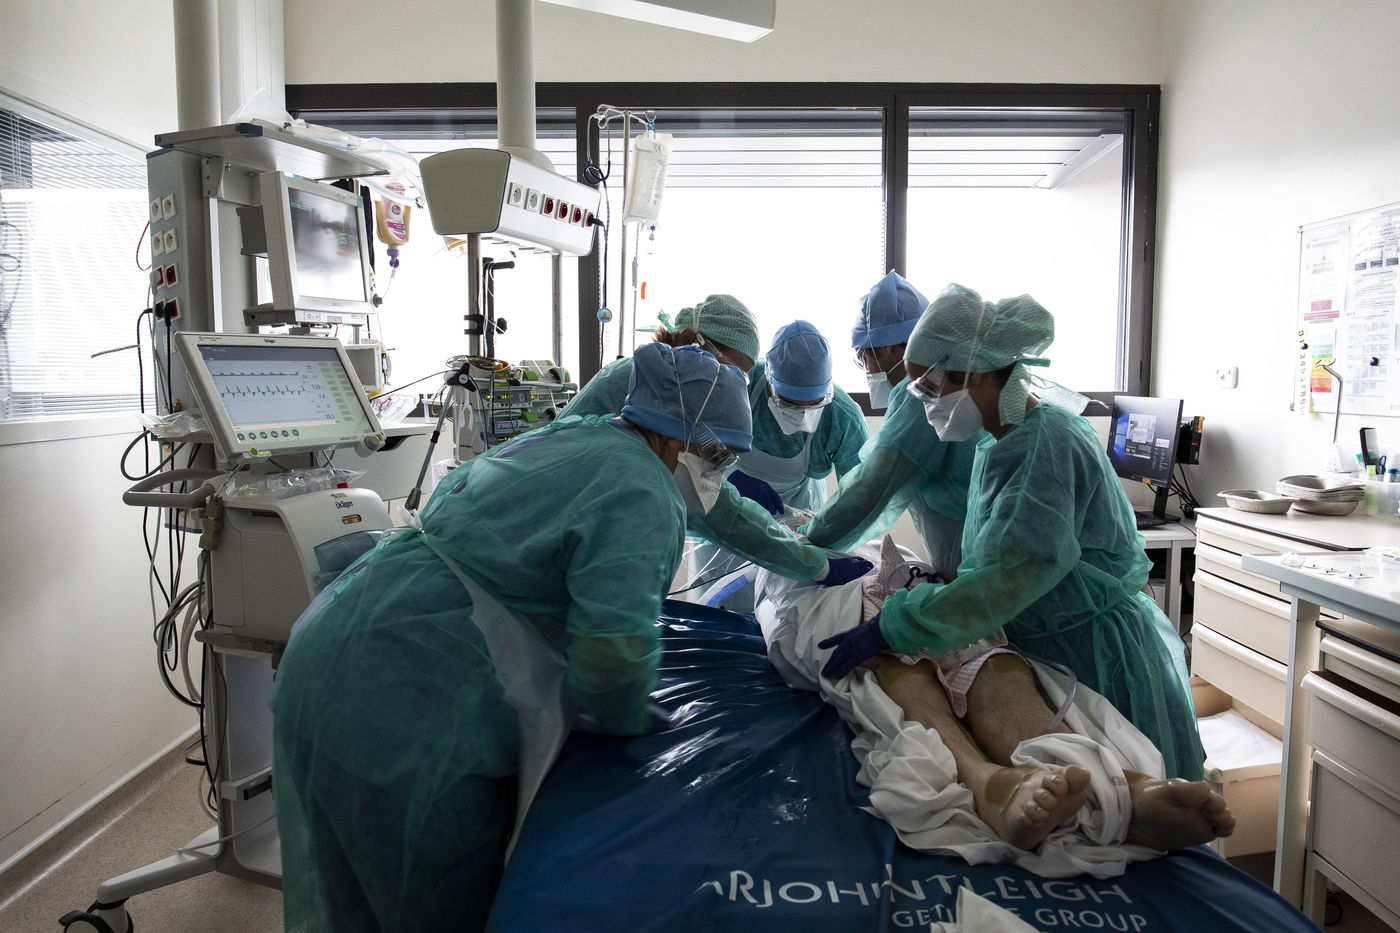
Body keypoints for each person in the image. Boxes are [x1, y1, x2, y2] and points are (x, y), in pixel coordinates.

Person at [271, 342, 756, 932]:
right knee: (424, 901)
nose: (717, 470)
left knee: (352, 897)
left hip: (339, 636)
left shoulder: (581, 436)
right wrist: (623, 715)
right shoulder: (643, 491)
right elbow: (613, 648)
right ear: (675, 434)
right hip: (399, 702)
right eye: (716, 454)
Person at [817, 283, 1207, 781]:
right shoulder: (997, 445)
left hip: (1093, 651)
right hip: (1044, 641)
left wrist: (895, 626)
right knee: (1072, 780)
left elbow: (1005, 577)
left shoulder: (1044, 445)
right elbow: (993, 564)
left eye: (930, 389)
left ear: (976, 373)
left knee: (1126, 788)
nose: (924, 404)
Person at [565, 294, 871, 592]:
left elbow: (718, 506)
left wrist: (816, 561)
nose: (727, 385)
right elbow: (720, 513)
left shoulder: (678, 416)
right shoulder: (644, 405)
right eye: (725, 371)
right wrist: (814, 566)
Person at [800, 272, 981, 578]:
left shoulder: (920, 396)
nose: (866, 368)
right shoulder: (948, 384)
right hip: (972, 549)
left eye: (863, 357)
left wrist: (808, 539)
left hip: (971, 555)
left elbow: (872, 487)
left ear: (889, 348)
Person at [696, 320, 869, 609]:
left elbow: (860, 497)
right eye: (789, 403)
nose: (801, 414)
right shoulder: (738, 387)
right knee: (721, 608)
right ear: (769, 383)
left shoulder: (842, 417)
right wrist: (729, 478)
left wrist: (825, 540)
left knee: (783, 612)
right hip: (725, 513)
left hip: (797, 523)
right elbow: (693, 448)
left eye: (813, 404)